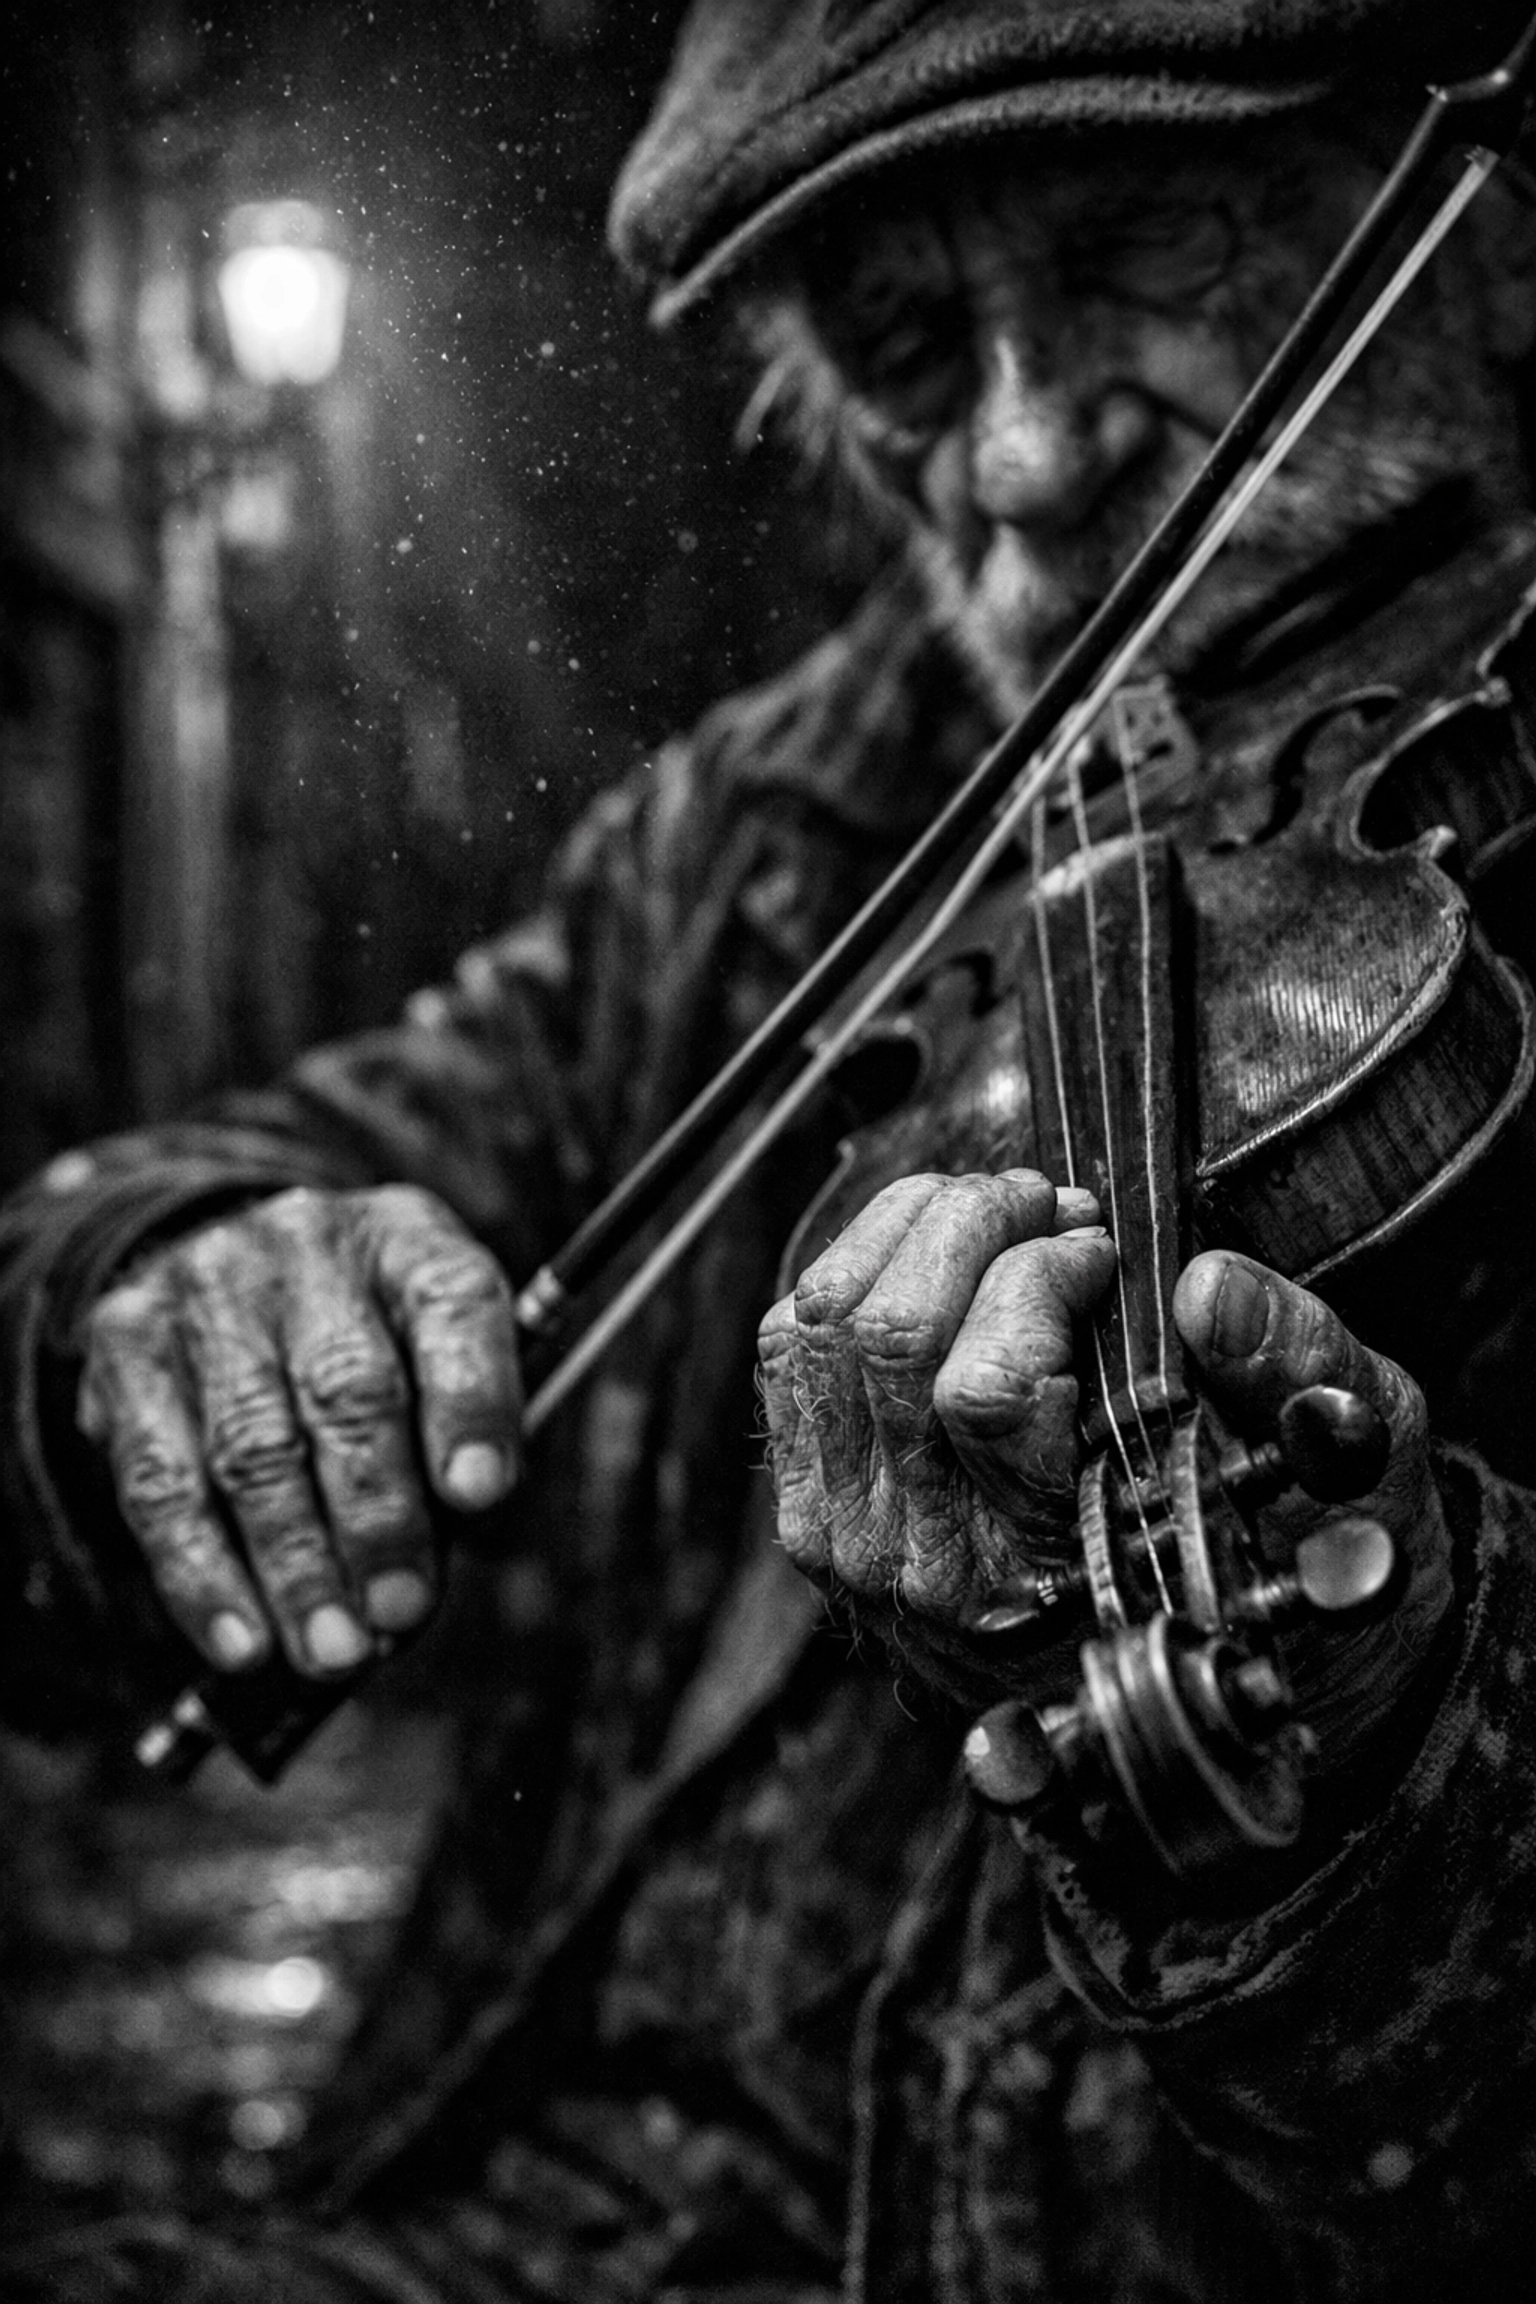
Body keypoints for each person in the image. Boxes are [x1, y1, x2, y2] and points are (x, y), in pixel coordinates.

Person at [7, 1, 1536, 2296]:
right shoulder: (771, 827)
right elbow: (236, 1184)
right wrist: (154, 1298)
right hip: (528, 2213)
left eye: (1148, 248)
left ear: (1475, 221)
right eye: (910, 352)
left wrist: (1386, 1732)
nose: (1019, 462)